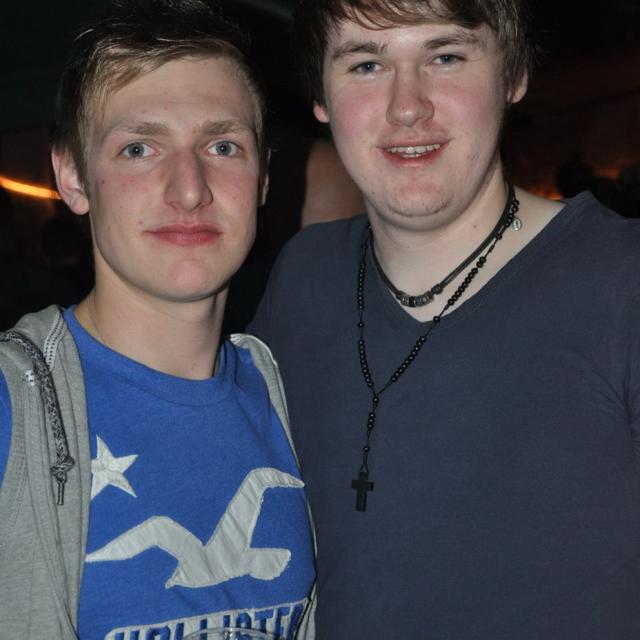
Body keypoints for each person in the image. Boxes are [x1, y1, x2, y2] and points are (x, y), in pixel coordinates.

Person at [250, 0, 640, 637]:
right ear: (320, 96)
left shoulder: (622, 282)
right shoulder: (303, 279)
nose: (408, 106)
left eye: (446, 56)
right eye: (367, 64)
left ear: (513, 76)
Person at [0, 1, 316, 638]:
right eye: (139, 148)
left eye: (223, 145)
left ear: (262, 178)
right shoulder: (12, 404)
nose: (190, 188)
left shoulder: (293, 399)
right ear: (72, 176)